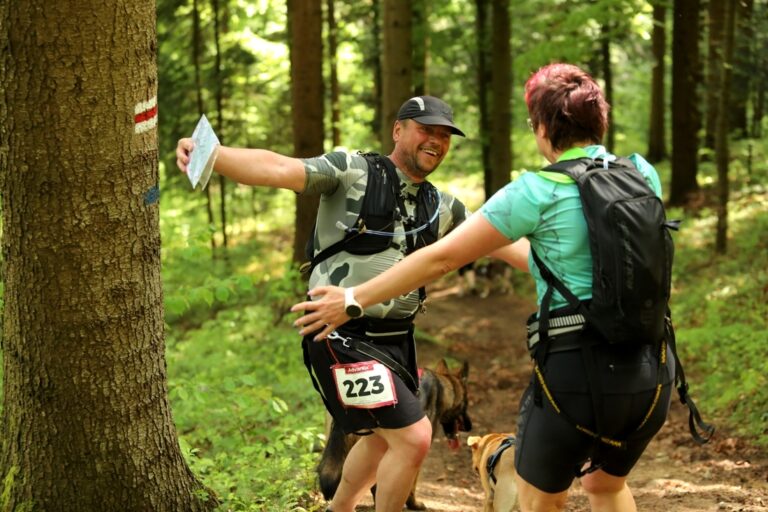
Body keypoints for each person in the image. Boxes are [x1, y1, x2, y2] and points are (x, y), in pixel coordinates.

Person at [292, 63, 674, 512]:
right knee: (606, 487)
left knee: (539, 497)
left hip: (577, 371)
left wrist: (353, 297)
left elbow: (442, 258)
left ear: (544, 126)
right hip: (652, 366)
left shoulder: (535, 190)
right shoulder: (642, 173)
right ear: (600, 120)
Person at [176, 95, 527, 512]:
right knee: (414, 438)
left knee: (381, 439)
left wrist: (567, 266)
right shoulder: (352, 171)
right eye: (425, 130)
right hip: (339, 333)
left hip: (398, 342)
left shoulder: (443, 207)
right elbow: (280, 167)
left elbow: (503, 240)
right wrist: (214, 154)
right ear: (398, 130)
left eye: (444, 135)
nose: (436, 140)